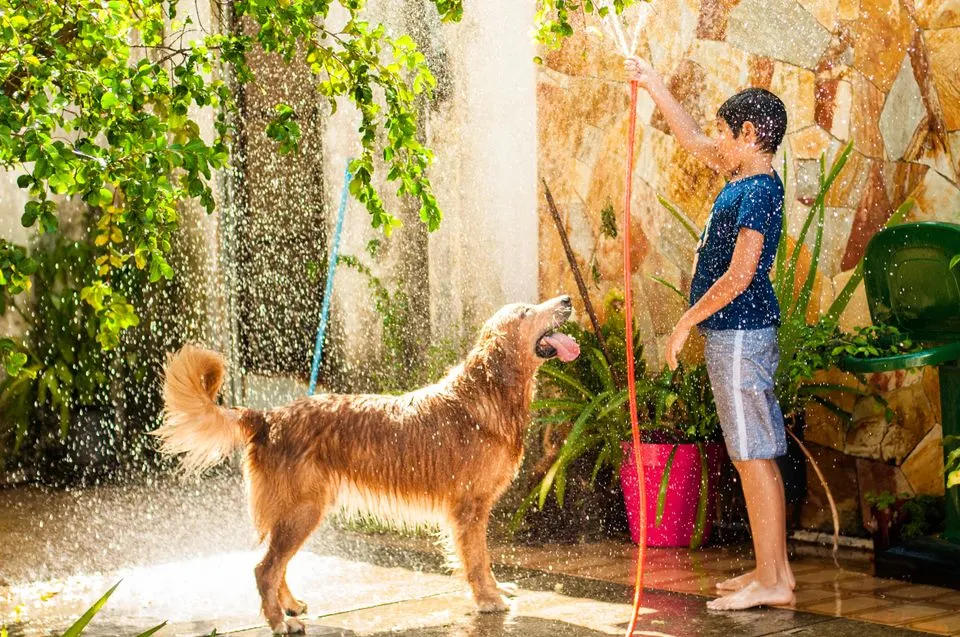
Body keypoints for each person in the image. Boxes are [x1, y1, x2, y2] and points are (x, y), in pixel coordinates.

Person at [624, 57, 795, 610]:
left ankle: (774, 579)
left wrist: (683, 321)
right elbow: (693, 139)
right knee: (750, 453)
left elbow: (741, 274)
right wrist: (652, 85)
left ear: (748, 135)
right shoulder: (743, 177)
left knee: (753, 456)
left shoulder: (760, 191)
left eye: (724, 131)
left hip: (741, 334)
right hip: (734, 334)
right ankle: (772, 572)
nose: (714, 140)